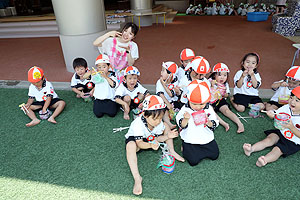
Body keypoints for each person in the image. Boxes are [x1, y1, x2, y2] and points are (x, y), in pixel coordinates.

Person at [125, 95, 184, 195]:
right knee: (130, 146)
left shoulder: (158, 123)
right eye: (155, 119)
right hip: (137, 141)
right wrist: (150, 145)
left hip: (150, 138)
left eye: (160, 118)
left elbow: (157, 138)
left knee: (166, 126)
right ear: (145, 115)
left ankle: (171, 150)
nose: (158, 122)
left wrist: (167, 136)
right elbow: (140, 143)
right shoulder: (137, 124)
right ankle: (137, 178)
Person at [243, 86, 300, 167]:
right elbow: (276, 113)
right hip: (281, 131)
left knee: (278, 149)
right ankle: (251, 149)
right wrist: (272, 114)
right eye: (291, 98)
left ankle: (265, 160)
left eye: (297, 100)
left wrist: (292, 127)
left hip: (293, 141)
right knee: (269, 139)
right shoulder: (287, 107)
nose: (292, 102)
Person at [176, 80, 219, 166]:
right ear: (188, 100)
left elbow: (214, 123)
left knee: (215, 155)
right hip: (191, 139)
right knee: (193, 161)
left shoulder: (208, 108)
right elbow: (181, 125)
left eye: (201, 104)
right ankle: (184, 146)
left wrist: (208, 122)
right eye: (194, 104)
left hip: (206, 137)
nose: (198, 107)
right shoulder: (185, 109)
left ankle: (196, 149)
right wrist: (185, 119)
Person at [209, 63, 244, 133]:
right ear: (214, 75)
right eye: (219, 75)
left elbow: (226, 95)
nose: (222, 77)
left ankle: (240, 124)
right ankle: (224, 123)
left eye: (225, 75)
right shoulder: (209, 81)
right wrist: (212, 86)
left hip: (220, 100)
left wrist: (223, 92)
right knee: (211, 112)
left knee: (227, 111)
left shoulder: (225, 84)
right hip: (210, 101)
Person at [156, 61, 181, 129]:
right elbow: (161, 94)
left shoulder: (176, 82)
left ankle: (180, 122)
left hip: (173, 102)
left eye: (163, 71)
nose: (161, 72)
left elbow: (171, 94)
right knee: (164, 111)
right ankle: (168, 123)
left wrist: (164, 84)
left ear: (171, 75)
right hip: (164, 101)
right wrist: (167, 104)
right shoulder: (159, 81)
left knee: (180, 111)